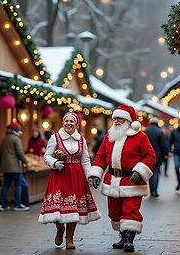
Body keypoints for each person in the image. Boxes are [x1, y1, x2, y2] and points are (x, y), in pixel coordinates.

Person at [88, 105, 156, 252]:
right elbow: (100, 157)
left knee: (130, 211)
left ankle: (129, 240)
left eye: (120, 118)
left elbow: (150, 156)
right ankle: (122, 236)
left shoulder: (140, 137)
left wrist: (140, 170)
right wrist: (96, 174)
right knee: (114, 212)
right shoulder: (109, 137)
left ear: (128, 120)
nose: (116, 120)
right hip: (112, 181)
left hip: (132, 181)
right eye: (115, 118)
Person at [38, 112, 100, 250]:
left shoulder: (81, 140)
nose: (69, 123)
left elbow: (85, 160)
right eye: (66, 121)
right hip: (59, 175)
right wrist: (54, 163)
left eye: (72, 121)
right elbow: (47, 156)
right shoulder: (55, 138)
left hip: (76, 176)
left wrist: (89, 175)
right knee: (58, 206)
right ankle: (60, 228)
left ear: (76, 124)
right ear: (62, 123)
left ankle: (69, 237)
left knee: (74, 208)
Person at [0, 122, 30, 211]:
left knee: (6, 186)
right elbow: (20, 152)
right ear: (17, 130)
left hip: (5, 167)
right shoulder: (16, 139)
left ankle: (2, 204)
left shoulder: (4, 139)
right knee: (18, 185)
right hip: (14, 167)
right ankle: (17, 204)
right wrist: (25, 161)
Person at [143, 117, 169, 197]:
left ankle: (151, 190)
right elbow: (163, 145)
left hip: (147, 155)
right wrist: (166, 153)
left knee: (149, 173)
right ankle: (154, 190)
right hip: (157, 155)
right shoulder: (159, 132)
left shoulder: (145, 131)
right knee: (156, 173)